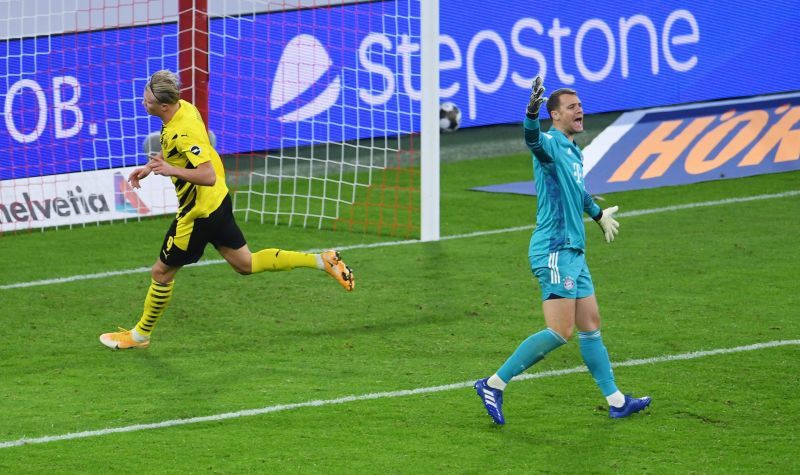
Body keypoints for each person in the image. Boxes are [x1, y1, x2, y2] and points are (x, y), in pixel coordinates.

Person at [100, 70, 354, 350]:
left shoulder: (180, 131)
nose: (142, 102)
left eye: (147, 100)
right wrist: (153, 166)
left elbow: (205, 173)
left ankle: (139, 336)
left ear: (163, 106)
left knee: (161, 273)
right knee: (245, 264)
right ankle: (322, 261)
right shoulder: (184, 109)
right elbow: (183, 152)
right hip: (218, 199)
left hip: (198, 213)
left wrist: (168, 169)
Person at [474, 76, 650, 423]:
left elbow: (579, 190)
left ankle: (616, 401)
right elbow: (531, 140)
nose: (579, 110)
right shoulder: (551, 143)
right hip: (554, 249)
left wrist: (598, 216)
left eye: (580, 105)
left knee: (591, 324)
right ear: (554, 115)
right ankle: (493, 384)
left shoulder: (573, 151)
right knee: (561, 331)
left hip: (574, 251)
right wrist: (530, 113)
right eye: (572, 107)